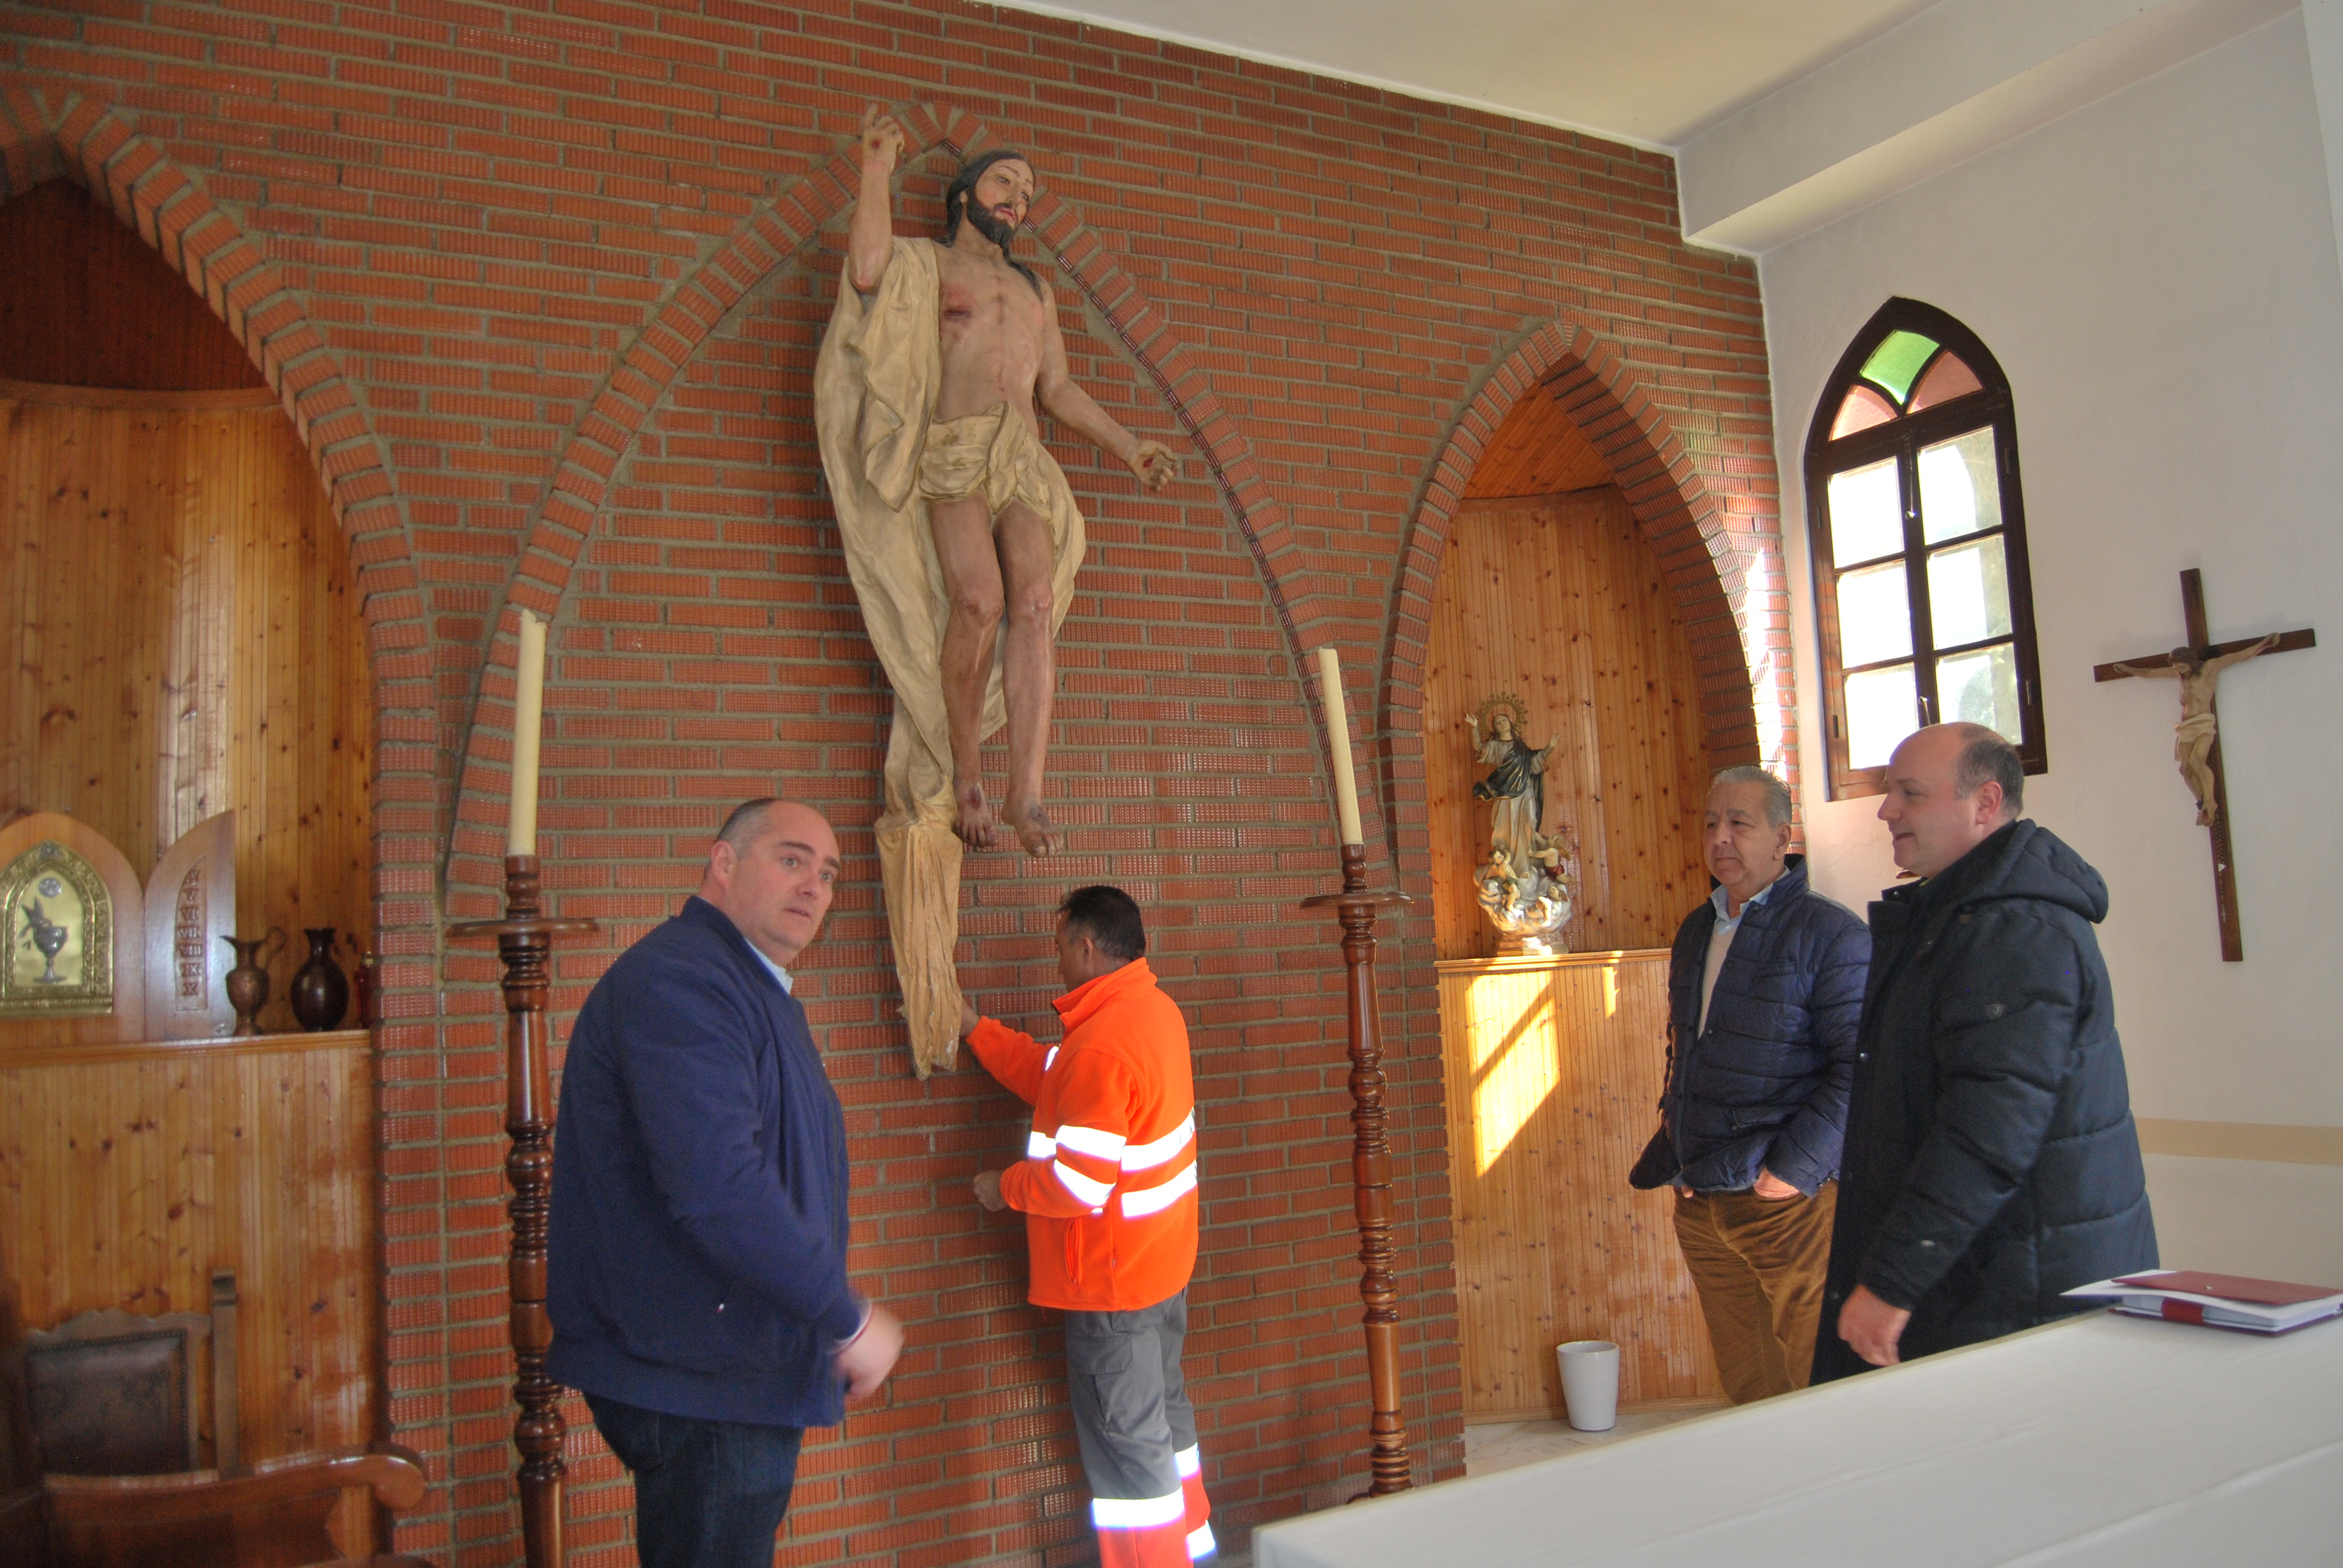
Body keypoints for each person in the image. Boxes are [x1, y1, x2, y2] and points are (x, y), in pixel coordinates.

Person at [546, 799, 904, 1568]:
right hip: (702, 1378)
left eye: (829, 872)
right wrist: (844, 1317)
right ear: (723, 863)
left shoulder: (746, 985)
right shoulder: (684, 982)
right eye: (791, 859)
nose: (815, 884)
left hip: (729, 1365)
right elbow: (718, 1187)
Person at [831, 107, 1175, 861]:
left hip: (1022, 456)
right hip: (953, 447)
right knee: (978, 600)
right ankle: (969, 777)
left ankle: (1026, 792)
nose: (1019, 200)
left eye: (1028, 191)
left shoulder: (1034, 289)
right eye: (1005, 182)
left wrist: (1128, 447)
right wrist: (876, 170)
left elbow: (1058, 389)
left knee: (1037, 599)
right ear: (965, 195)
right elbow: (864, 273)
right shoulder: (928, 264)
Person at [1815, 724, 2157, 1381]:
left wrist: (1890, 1282)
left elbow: (1985, 1132)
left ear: (1984, 802)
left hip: (2019, 1287)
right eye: (1889, 793)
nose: (1886, 811)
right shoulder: (1955, 916)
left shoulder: (2015, 931)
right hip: (1981, 1274)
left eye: (1909, 794)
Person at [962, 886, 1215, 1568]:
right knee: (1164, 1424)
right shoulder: (1150, 1012)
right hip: (1157, 1274)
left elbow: (1077, 1183)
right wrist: (976, 1031)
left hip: (1112, 1293)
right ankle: (1194, 1552)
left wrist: (1002, 1187)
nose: (1055, 960)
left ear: (1085, 946)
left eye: (1058, 946)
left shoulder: (1102, 1044)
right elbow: (1058, 1077)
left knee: (1129, 1462)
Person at [1629, 766, 1869, 1403]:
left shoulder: (1829, 933)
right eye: (1710, 823)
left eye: (1739, 822)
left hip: (1787, 1202)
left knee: (1818, 1386)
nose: (1720, 838)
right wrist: (1675, 1149)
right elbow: (1684, 1050)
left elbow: (1859, 1067)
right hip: (1701, 1198)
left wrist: (1791, 1172)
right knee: (1749, 1388)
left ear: (1780, 837)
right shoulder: (1694, 930)